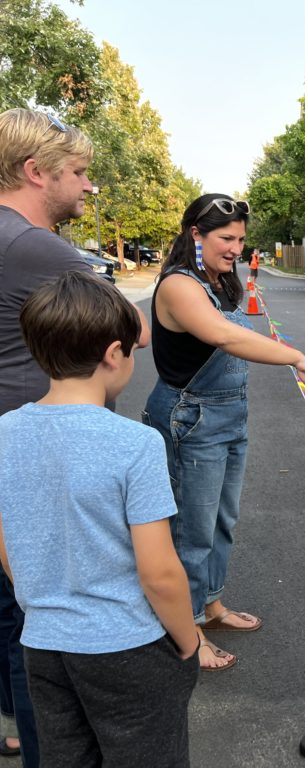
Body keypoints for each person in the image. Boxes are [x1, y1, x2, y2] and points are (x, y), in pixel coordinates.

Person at [0, 107, 151, 767]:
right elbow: (128, 328)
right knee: (43, 630)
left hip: (16, 447)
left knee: (15, 621)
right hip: (44, 459)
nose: (89, 188)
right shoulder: (35, 245)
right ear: (36, 172)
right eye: (80, 173)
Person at [0, 272, 199, 766]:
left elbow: (7, 544)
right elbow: (160, 572)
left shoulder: (4, 432)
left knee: (66, 758)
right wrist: (188, 641)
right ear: (114, 354)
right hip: (127, 646)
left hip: (43, 644)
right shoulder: (135, 444)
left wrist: (42, 605)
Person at [144, 194, 305, 671]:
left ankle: (211, 605)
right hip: (192, 417)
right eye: (226, 238)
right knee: (192, 529)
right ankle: (187, 632)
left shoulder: (222, 282)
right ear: (195, 235)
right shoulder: (178, 286)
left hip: (228, 416)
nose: (235, 248)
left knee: (221, 522)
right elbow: (225, 336)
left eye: (241, 239)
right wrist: (295, 356)